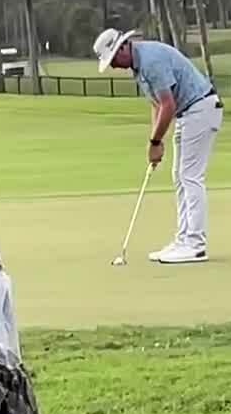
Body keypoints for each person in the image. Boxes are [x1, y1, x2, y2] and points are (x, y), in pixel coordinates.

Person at [93, 29, 223, 264]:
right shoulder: (138, 66)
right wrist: (155, 140)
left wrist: (155, 142)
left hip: (200, 109)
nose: (113, 66)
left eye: (113, 59)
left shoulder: (150, 60)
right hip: (188, 113)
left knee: (190, 176)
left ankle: (195, 244)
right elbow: (156, 105)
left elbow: (167, 105)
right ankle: (184, 239)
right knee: (179, 176)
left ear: (123, 47)